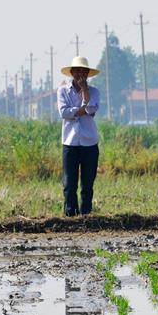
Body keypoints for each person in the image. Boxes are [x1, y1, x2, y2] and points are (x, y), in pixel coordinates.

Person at [57, 57, 101, 216]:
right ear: (72, 72)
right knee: (69, 183)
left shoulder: (94, 91)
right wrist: (81, 110)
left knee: (87, 183)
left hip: (89, 142)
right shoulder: (63, 91)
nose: (80, 74)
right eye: (77, 70)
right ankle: (70, 214)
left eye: (84, 71)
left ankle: (86, 214)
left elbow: (91, 110)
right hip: (70, 143)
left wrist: (85, 91)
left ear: (88, 74)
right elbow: (63, 113)